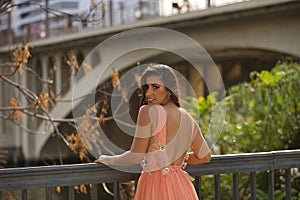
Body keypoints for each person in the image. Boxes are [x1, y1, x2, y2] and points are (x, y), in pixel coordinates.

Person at [95, 64, 211, 199]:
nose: (148, 93)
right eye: (146, 88)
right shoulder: (187, 118)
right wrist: (180, 158)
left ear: (169, 90)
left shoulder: (148, 111)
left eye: (155, 87)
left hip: (155, 187)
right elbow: (204, 157)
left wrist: (107, 159)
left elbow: (135, 156)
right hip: (182, 188)